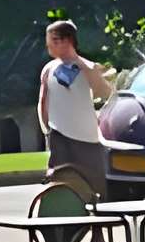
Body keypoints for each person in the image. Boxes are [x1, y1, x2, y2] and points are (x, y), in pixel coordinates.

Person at [35, 20, 113, 185]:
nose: (49, 46)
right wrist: (47, 130)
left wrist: (90, 71)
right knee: (60, 181)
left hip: (88, 138)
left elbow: (105, 93)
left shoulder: (88, 67)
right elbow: (43, 101)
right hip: (59, 136)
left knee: (94, 183)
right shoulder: (48, 69)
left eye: (54, 41)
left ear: (67, 40)